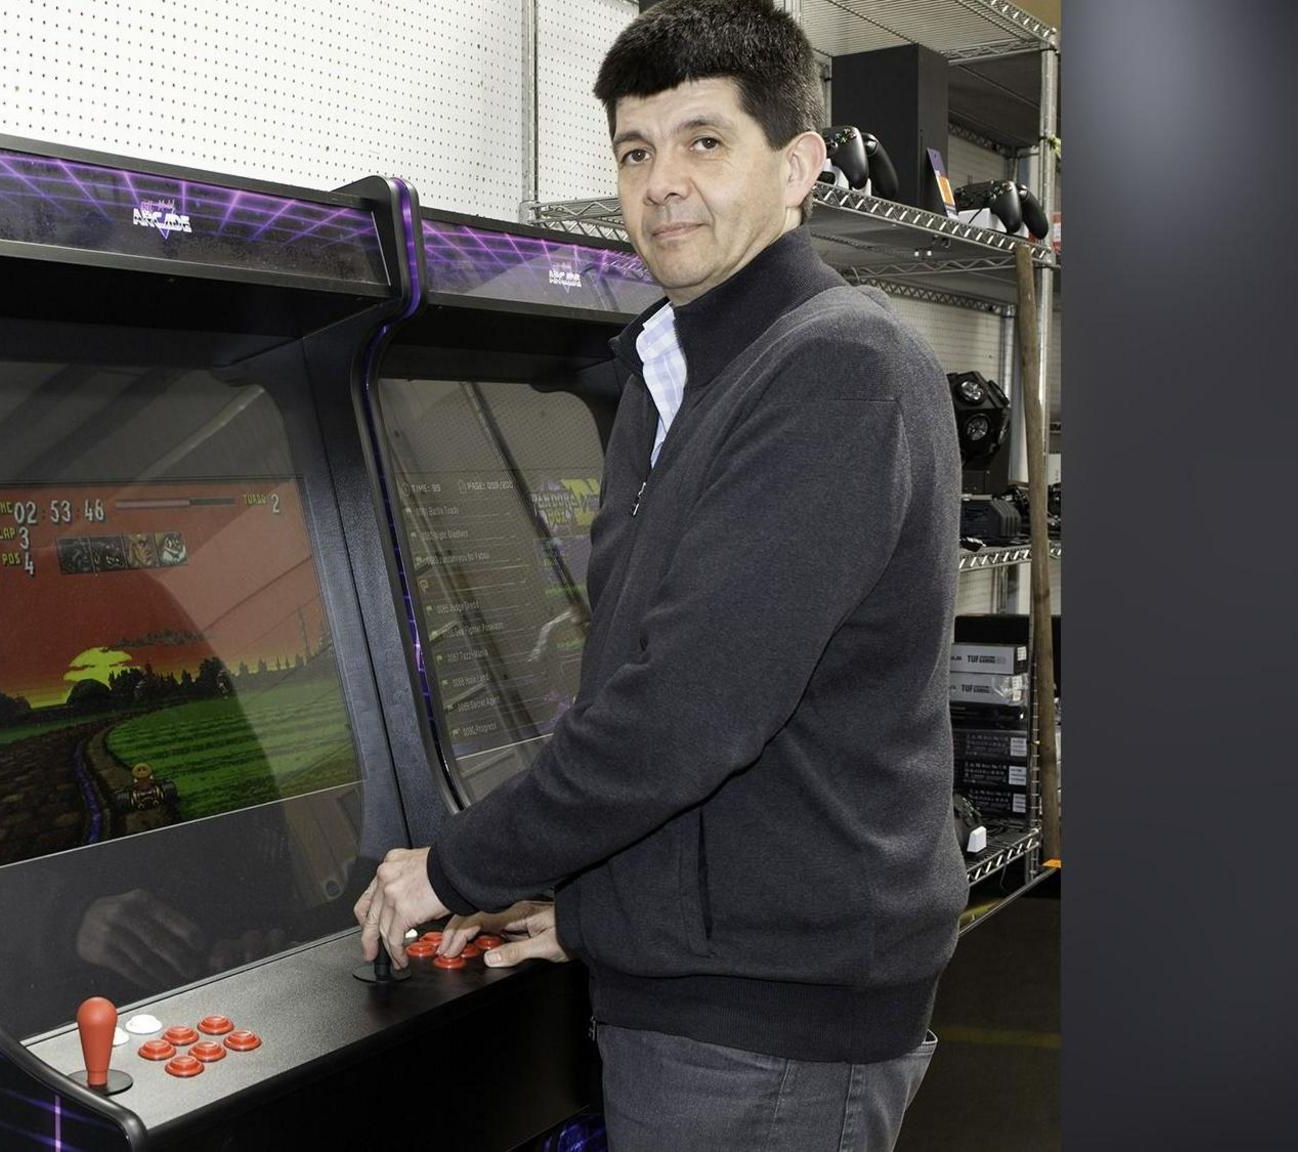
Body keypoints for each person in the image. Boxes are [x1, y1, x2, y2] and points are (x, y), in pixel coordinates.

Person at [354, 1, 968, 1147]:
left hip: (772, 1025)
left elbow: (686, 710)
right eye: (634, 151)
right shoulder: (667, 371)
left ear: (795, 167)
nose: (660, 184)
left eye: (702, 141)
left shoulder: (838, 368)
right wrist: (591, 909)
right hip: (706, 987)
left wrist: (452, 868)